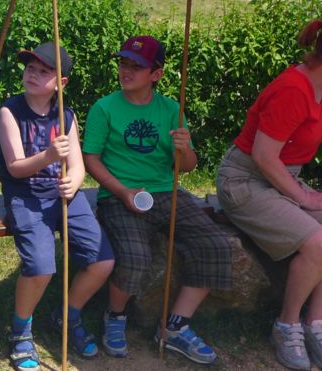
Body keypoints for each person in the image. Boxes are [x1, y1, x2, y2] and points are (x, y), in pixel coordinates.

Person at [217, 19, 322, 371]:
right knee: (320, 244)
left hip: (279, 178)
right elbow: (263, 156)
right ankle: (287, 325)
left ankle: (314, 324)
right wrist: (305, 199)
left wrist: (303, 193)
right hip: (245, 181)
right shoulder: (293, 89)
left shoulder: (320, 86)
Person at [83, 35, 231, 365]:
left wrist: (184, 149)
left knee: (216, 245)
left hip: (166, 192)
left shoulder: (171, 110)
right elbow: (91, 158)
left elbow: (187, 167)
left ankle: (175, 326)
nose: (126, 71)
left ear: (156, 74)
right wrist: (122, 192)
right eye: (123, 63)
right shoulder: (104, 108)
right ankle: (115, 315)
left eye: (137, 66)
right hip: (118, 196)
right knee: (135, 257)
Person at [0, 42, 114, 369]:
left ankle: (67, 315)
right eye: (30, 68)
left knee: (102, 261)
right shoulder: (9, 112)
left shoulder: (66, 115)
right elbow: (15, 167)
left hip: (63, 195)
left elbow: (77, 166)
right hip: (26, 195)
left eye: (43, 71)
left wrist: (73, 182)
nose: (33, 74)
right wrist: (48, 156)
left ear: (60, 83)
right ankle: (20, 331)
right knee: (41, 267)